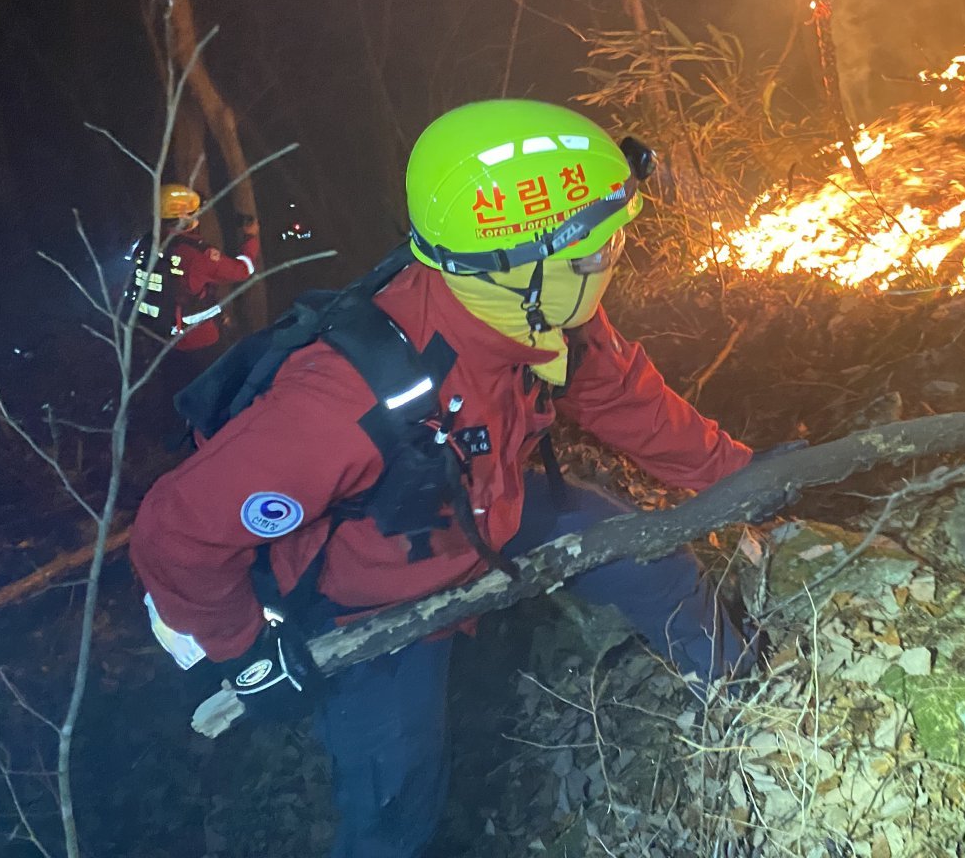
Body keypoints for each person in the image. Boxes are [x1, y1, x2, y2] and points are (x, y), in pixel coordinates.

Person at [130, 101, 754, 858]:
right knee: (397, 803)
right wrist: (243, 650)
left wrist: (743, 480)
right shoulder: (343, 400)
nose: (614, 258)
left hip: (484, 517)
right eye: (594, 251)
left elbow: (628, 401)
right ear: (509, 267)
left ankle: (747, 700)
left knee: (646, 556)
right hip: (365, 602)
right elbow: (178, 530)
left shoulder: (541, 314)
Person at [127, 182, 262, 357]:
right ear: (184, 216)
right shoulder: (197, 255)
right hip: (196, 342)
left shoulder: (143, 244)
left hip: (154, 337)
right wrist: (250, 237)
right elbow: (243, 270)